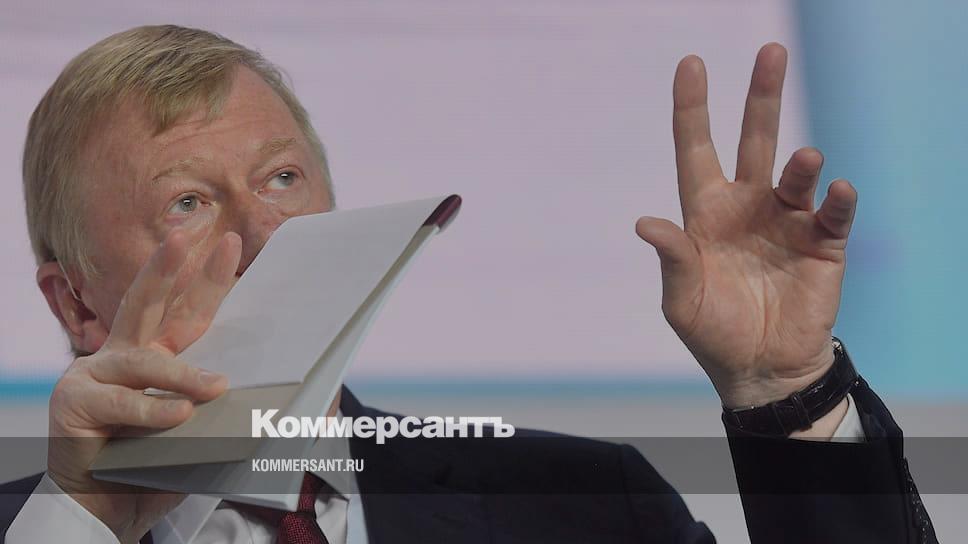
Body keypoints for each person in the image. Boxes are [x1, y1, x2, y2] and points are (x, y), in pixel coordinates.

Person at [0, 25, 936, 543]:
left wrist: (785, 390)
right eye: (189, 202)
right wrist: (90, 523)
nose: (265, 234)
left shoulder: (586, 506)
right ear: (75, 303)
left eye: (283, 178)